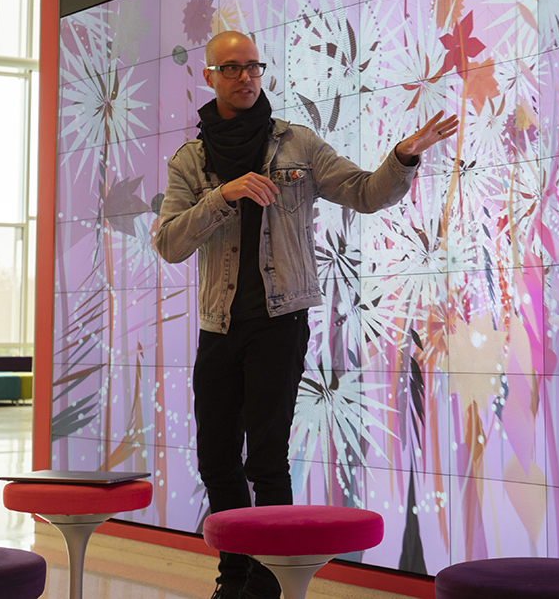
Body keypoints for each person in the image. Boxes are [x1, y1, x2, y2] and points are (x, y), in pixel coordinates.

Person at [153, 31, 458, 599]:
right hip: (218, 327)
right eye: (232, 69)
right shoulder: (191, 161)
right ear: (209, 76)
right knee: (216, 458)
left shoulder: (298, 146)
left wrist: (403, 156)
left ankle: (268, 583)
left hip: (279, 322)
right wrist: (224, 196)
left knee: (266, 458)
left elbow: (366, 192)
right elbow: (169, 242)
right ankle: (234, 577)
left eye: (254, 67)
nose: (246, 78)